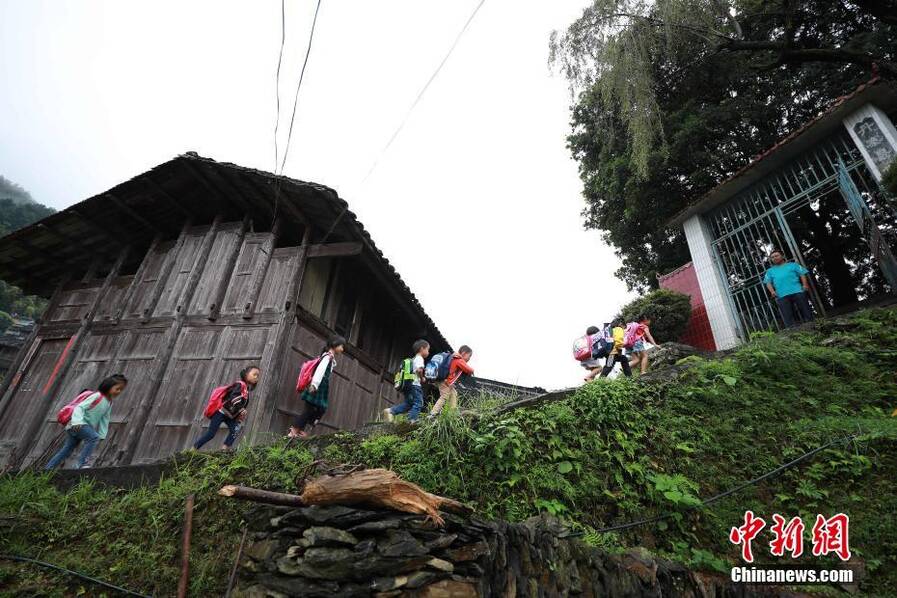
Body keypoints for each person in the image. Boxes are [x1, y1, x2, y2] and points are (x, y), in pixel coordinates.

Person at [45, 374, 128, 470]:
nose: (119, 392)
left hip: (80, 426)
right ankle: (82, 464)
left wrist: (102, 434)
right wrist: (77, 422)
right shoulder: (97, 396)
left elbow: (105, 418)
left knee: (67, 449)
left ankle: (48, 468)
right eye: (117, 388)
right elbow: (80, 407)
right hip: (77, 424)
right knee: (93, 437)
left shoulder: (109, 402)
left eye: (121, 390)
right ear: (109, 386)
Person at [288, 336, 346, 439]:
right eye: (341, 346)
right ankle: (295, 430)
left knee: (319, 409)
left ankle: (300, 430)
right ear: (334, 344)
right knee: (309, 409)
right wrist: (314, 384)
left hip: (321, 387)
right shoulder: (327, 357)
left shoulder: (329, 357)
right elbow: (320, 371)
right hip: (318, 386)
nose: (342, 349)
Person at [194, 366, 260, 451]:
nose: (256, 377)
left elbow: (241, 406)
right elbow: (234, 398)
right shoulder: (239, 384)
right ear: (246, 374)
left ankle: (224, 449)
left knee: (236, 430)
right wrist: (241, 409)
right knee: (211, 434)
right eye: (254, 374)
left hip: (230, 416)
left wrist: (240, 416)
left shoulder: (246, 391)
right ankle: (193, 449)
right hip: (221, 412)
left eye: (258, 376)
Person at [762, 250, 814, 328]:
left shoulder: (793, 265)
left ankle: (812, 325)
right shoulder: (770, 271)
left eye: (776, 256)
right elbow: (767, 282)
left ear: (782, 256)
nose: (774, 258)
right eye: (772, 257)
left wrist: (805, 285)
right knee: (787, 315)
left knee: (805, 309)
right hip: (781, 294)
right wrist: (772, 292)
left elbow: (802, 274)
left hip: (797, 290)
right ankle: (792, 330)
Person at [384, 340, 429, 423]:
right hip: (415, 385)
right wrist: (422, 378)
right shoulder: (419, 358)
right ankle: (412, 420)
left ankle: (391, 411)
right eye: (427, 349)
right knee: (418, 403)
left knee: (409, 403)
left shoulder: (413, 359)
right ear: (422, 349)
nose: (428, 352)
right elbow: (419, 370)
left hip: (408, 384)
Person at [429, 345, 474, 417]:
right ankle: (433, 413)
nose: (469, 359)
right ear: (464, 353)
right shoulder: (458, 359)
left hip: (443, 380)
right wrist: (473, 370)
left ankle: (452, 412)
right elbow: (469, 370)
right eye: (469, 356)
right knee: (444, 396)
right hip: (445, 381)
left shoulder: (452, 357)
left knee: (453, 393)